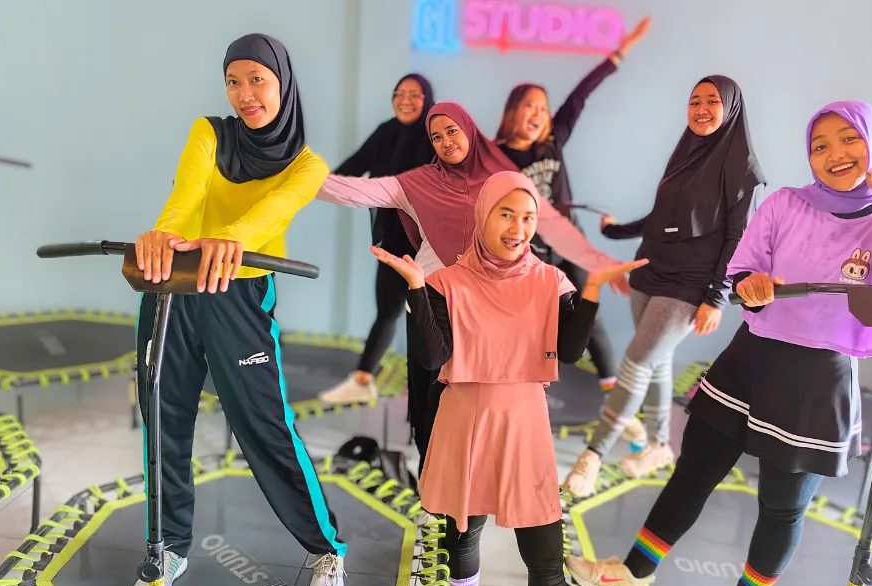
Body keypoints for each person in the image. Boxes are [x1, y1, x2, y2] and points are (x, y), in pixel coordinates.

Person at [565, 101, 872, 586]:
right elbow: (743, 273)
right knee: (693, 472)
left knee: (782, 507)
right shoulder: (785, 203)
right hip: (751, 359)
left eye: (849, 139)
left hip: (820, 380)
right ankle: (633, 575)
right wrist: (752, 285)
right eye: (820, 146)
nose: (834, 154)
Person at [132, 33, 347, 586]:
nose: (245, 94)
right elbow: (185, 196)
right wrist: (166, 234)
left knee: (266, 427)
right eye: (233, 82)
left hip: (241, 294)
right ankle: (165, 548)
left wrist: (229, 239)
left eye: (257, 80)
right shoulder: (208, 132)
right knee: (162, 420)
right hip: (174, 289)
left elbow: (267, 215)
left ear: (283, 83)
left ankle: (327, 549)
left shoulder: (308, 166)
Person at [372, 171, 648, 586]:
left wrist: (591, 292)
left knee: (546, 557)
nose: (518, 228)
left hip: (526, 427)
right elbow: (433, 357)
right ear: (483, 215)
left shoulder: (550, 281)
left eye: (527, 217)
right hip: (464, 425)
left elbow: (569, 351)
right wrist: (416, 289)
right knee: (463, 536)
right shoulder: (447, 282)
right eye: (506, 215)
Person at [314, 101, 629, 475]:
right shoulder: (416, 183)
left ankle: (479, 490)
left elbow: (556, 227)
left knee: (487, 416)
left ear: (469, 130)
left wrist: (600, 263)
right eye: (436, 136)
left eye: (452, 130)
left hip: (491, 315)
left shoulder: (506, 183)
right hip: (434, 306)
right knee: (430, 412)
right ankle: (434, 491)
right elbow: (352, 190)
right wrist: (290, 170)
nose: (446, 141)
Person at [563, 75, 766, 496]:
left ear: (730, 107)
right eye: (695, 101)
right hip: (650, 270)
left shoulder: (744, 170)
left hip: (691, 284)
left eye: (712, 101)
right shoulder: (685, 152)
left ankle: (594, 454)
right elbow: (663, 214)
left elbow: (739, 239)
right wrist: (618, 231)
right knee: (656, 360)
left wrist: (716, 297)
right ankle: (658, 445)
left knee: (637, 361)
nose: (701, 109)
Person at [495, 16, 651, 402]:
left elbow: (582, 93)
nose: (538, 113)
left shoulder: (554, 141)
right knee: (531, 319)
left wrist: (621, 51)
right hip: (528, 248)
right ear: (512, 111)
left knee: (587, 310)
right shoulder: (495, 157)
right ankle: (530, 389)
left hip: (570, 241)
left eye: (543, 108)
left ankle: (612, 393)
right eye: (529, 105)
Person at [319, 74, 437, 405]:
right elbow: (354, 166)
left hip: (430, 246)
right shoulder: (387, 132)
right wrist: (315, 185)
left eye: (414, 95)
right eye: (399, 93)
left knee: (428, 319)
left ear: (428, 100)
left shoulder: (435, 135)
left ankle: (433, 389)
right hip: (392, 241)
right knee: (387, 311)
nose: (405, 100)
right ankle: (362, 379)